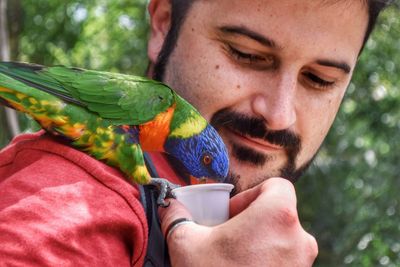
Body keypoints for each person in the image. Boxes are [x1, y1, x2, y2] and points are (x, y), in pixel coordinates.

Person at [0, 0, 391, 266]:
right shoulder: (77, 202)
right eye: (246, 53)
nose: (278, 115)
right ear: (163, 23)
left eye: (319, 79)